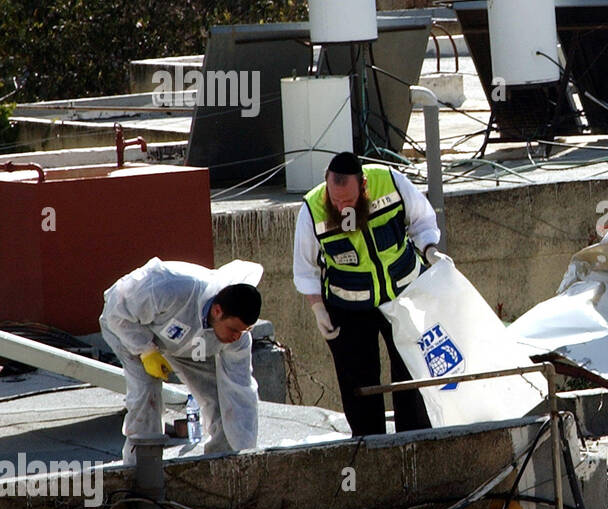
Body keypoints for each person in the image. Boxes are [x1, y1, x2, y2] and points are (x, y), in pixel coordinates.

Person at [293, 151, 440, 436]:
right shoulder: (312, 209)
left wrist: (430, 251)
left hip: (403, 298)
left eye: (348, 201)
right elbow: (305, 269)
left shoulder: (391, 182)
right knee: (360, 389)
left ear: (363, 186)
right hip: (349, 310)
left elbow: (422, 221)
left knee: (411, 378)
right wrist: (317, 310)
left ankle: (415, 444)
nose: (342, 206)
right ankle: (371, 450)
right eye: (336, 201)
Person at [100, 259, 262, 465]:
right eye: (233, 330)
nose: (237, 337)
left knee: (218, 397)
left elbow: (241, 391)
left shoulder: (237, 338)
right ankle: (142, 470)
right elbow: (116, 310)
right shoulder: (171, 287)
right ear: (218, 311)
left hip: (190, 342)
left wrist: (246, 452)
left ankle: (223, 464)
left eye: (244, 331)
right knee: (146, 392)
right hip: (131, 328)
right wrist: (146, 351)